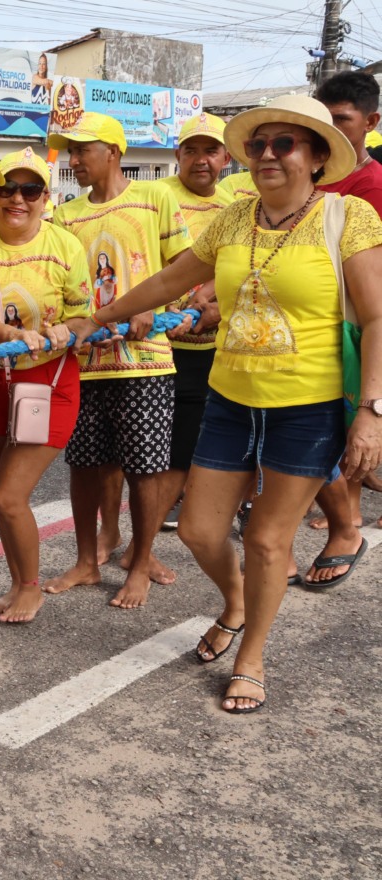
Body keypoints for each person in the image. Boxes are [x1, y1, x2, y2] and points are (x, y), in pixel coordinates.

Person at [65, 94, 382, 713]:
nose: (266, 155)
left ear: (316, 156)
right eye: (258, 145)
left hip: (308, 407)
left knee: (267, 540)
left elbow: (376, 318)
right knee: (202, 531)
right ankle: (236, 603)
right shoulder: (235, 220)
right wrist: (97, 318)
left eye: (283, 144)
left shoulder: (351, 218)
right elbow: (171, 279)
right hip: (230, 399)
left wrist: (370, 411)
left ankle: (252, 653)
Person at [46, 111, 192, 609]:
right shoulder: (65, 215)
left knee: (145, 466)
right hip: (83, 361)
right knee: (84, 464)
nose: (74, 160)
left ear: (113, 152)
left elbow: (182, 270)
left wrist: (158, 307)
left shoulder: (155, 199)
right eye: (70, 151)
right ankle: (88, 561)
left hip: (145, 360)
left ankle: (141, 558)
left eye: (82, 150)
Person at [0, 148, 91, 622]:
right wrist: (8, 335)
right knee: (0, 494)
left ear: (46, 197)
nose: (17, 199)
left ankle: (29, 587)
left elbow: (85, 311)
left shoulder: (65, 245)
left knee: (9, 496)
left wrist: (70, 327)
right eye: (7, 189)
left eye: (30, 190)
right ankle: (18, 580)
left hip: (50, 378)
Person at [303, 70, 382, 586]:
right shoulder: (319, 177)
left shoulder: (368, 185)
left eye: (341, 121)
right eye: (321, 120)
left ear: (371, 122)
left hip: (355, 327)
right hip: (317, 324)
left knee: (346, 425)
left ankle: (347, 525)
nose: (329, 130)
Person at [154, 113, 235, 532]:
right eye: (191, 150)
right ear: (177, 155)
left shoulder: (236, 208)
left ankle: (179, 499)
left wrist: (217, 302)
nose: (200, 160)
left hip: (208, 346)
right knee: (146, 438)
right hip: (154, 343)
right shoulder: (154, 195)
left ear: (226, 156)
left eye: (210, 150)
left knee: (190, 429)